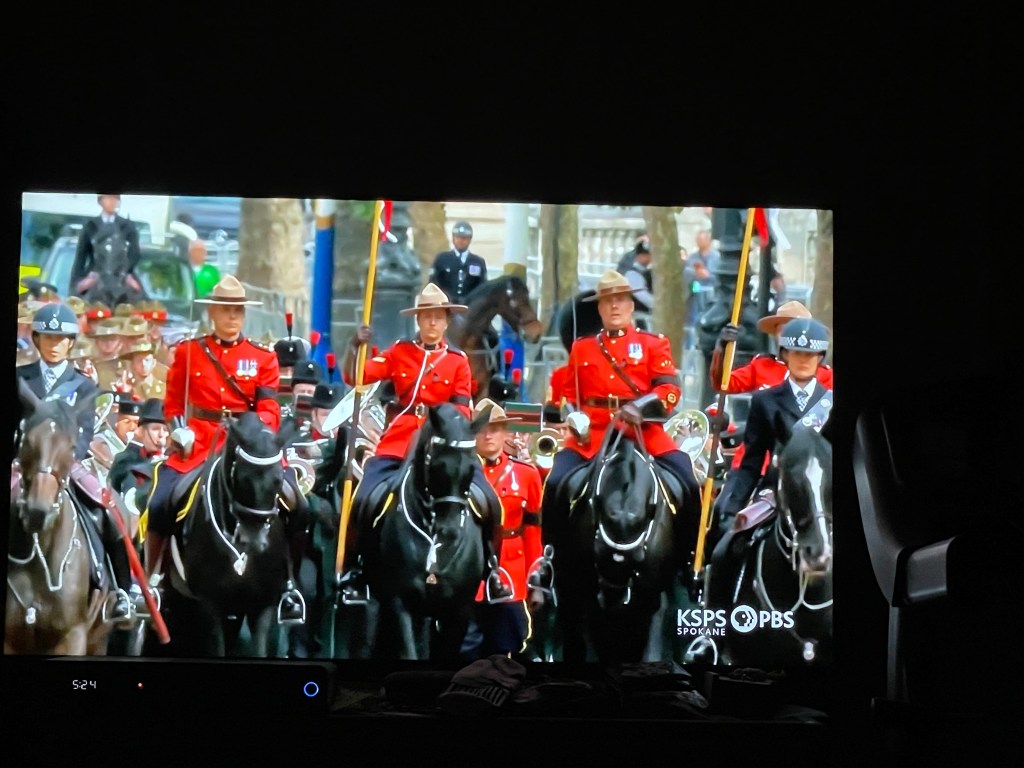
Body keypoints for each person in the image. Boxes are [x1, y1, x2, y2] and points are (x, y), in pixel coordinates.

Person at [140, 275, 305, 623]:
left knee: (298, 503)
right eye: (226, 310)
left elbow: (270, 407)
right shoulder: (189, 352)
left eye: (238, 311)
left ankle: (288, 583)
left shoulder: (262, 357)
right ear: (212, 312)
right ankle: (151, 581)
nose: (232, 317)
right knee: (159, 501)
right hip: (199, 443)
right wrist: (178, 429)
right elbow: (173, 403)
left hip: (248, 447)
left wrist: (255, 433)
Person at [336, 282, 512, 605]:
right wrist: (354, 345)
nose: (433, 322)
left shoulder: (457, 361)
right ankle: (354, 569)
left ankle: (492, 570)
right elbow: (356, 377)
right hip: (401, 438)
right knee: (364, 497)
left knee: (489, 501)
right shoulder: (399, 352)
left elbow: (462, 408)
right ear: (418, 320)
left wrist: (443, 427)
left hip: (445, 442)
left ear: (446, 322)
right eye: (427, 316)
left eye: (439, 317)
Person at [534, 270, 702, 586]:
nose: (615, 306)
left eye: (621, 300)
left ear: (631, 305)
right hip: (594, 433)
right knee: (555, 483)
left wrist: (642, 405)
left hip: (644, 431)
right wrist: (572, 415)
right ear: (599, 308)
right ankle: (549, 560)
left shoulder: (653, 343)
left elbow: (669, 390)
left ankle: (691, 562)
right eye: (608, 301)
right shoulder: (583, 347)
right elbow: (565, 395)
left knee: (688, 481)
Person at [14, 302, 133, 621]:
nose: (54, 345)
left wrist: (67, 460)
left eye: (61, 339)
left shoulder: (83, 385)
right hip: (23, 463)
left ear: (71, 343)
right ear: (37, 340)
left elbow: (85, 432)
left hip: (68, 463)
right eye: (48, 338)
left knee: (109, 508)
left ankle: (123, 590)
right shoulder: (19, 378)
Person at [712, 317, 833, 527]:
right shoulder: (764, 400)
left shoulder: (831, 402)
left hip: (822, 492)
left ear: (820, 357)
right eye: (796, 353)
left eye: (809, 354)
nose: (803, 360)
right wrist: (731, 510)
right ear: (785, 354)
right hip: (775, 490)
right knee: (727, 539)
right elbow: (753, 460)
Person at [460, 399, 544, 661]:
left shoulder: (527, 474)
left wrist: (535, 580)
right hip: (468, 573)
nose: (488, 435)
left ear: (505, 432)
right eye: (482, 429)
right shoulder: (459, 472)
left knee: (509, 647)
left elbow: (532, 531)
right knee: (466, 649)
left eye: (495, 429)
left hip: (511, 574)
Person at [70, 194, 146, 307]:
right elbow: (80, 258)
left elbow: (135, 253)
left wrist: (125, 272)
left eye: (115, 198)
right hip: (95, 275)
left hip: (122, 274)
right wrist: (78, 283)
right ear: (100, 201)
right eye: (108, 198)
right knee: (81, 302)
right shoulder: (90, 226)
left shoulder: (127, 226)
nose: (112, 201)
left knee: (139, 298)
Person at [108, 397, 168, 496]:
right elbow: (111, 493)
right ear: (140, 431)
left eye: (165, 430)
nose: (161, 434)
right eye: (155, 429)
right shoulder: (125, 460)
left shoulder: (169, 464)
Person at [428, 221, 488, 306]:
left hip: (469, 307)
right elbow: (433, 283)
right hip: (445, 305)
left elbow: (482, 287)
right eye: (457, 237)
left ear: (469, 240)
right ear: (453, 238)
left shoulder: (477, 262)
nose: (460, 241)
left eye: (464, 238)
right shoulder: (442, 258)